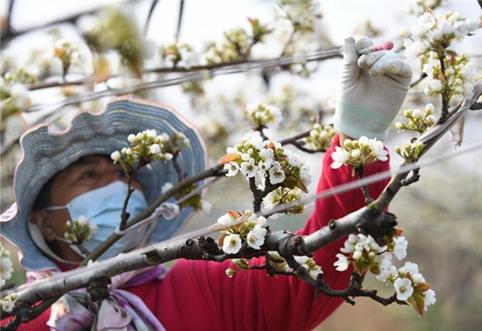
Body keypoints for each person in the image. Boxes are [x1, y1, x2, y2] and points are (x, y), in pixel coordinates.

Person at [0, 37, 411, 331]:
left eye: (126, 174)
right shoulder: (17, 317)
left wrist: (359, 139)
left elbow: (318, 263)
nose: (118, 187)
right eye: (89, 175)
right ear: (44, 221)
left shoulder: (204, 285)